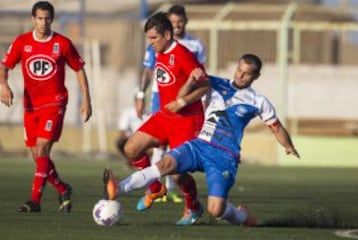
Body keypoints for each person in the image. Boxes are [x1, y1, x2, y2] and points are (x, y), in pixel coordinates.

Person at [104, 53, 300, 226]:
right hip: (199, 145)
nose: (240, 75)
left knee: (215, 209)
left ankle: (242, 216)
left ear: (256, 76)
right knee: (165, 164)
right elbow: (182, 96)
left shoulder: (258, 101)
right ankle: (118, 189)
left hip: (224, 156)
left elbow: (276, 127)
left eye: (247, 73)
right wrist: (190, 80)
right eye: (239, 70)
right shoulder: (214, 83)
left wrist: (288, 146)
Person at [105, 12, 211, 225]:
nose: (151, 43)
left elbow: (206, 85)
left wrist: (182, 102)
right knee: (131, 148)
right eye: (148, 38)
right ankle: (154, 187)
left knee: (176, 173)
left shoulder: (184, 55)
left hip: (187, 119)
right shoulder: (158, 51)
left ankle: (193, 206)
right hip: (165, 116)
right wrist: (140, 95)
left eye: (154, 38)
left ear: (167, 34)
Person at [0, 1, 92, 213]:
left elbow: (79, 69)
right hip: (31, 106)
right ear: (33, 19)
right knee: (36, 155)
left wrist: (87, 100)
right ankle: (62, 188)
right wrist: (3, 84)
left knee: (42, 149)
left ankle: (35, 201)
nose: (43, 22)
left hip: (55, 102)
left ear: (52, 19)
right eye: (40, 18)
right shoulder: (22, 42)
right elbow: (4, 66)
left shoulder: (63, 43)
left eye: (47, 18)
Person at [136, 4, 207, 204]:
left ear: (185, 22)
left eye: (179, 22)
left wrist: (186, 98)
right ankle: (157, 187)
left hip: (185, 107)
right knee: (156, 146)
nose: (177, 25)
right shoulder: (156, 45)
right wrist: (141, 93)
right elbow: (149, 70)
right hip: (161, 98)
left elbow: (201, 76)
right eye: (173, 21)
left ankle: (175, 188)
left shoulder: (193, 46)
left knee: (176, 163)